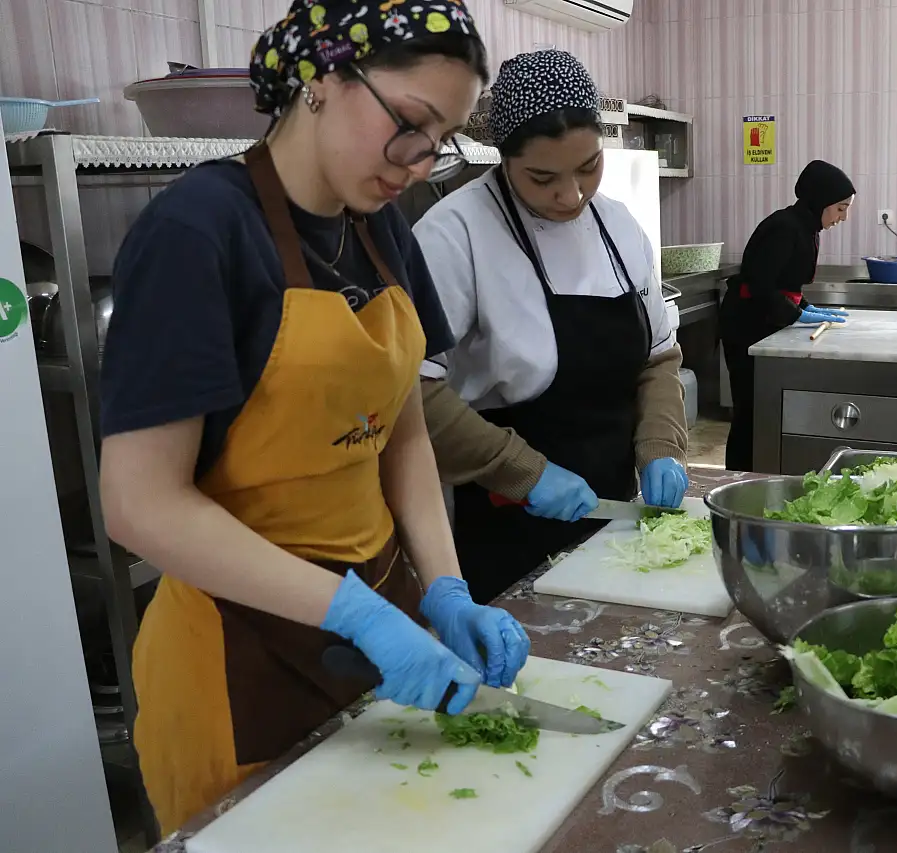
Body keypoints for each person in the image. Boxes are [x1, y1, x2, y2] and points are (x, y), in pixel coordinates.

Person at [97, 1, 529, 832]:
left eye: (438, 142)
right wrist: (353, 610)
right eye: (409, 123)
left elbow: (400, 425)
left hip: (373, 633)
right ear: (325, 77)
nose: (416, 162)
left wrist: (442, 585)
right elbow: (139, 503)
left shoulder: (380, 231)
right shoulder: (196, 233)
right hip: (239, 661)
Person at [413, 50, 689, 605]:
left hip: (616, 511)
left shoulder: (618, 226)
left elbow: (658, 358)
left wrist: (661, 444)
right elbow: (408, 392)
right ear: (503, 157)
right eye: (542, 178)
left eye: (589, 167)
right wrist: (520, 471)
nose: (572, 195)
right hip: (507, 517)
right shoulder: (454, 234)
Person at [719, 160, 855, 472]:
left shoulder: (806, 226)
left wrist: (804, 307)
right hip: (746, 325)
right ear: (820, 200)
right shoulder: (784, 226)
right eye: (840, 208)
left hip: (764, 321)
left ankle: (762, 470)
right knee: (750, 409)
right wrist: (794, 314)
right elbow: (760, 284)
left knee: (764, 407)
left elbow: (785, 284)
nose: (843, 217)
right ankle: (737, 477)